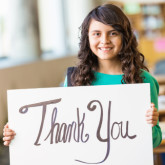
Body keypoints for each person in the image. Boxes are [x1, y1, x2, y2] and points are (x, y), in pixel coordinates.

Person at [3, 4, 162, 148]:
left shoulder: (144, 80)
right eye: (97, 34)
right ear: (88, 38)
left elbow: (153, 142)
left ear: (125, 37)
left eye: (113, 33)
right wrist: (20, 133)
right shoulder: (75, 79)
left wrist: (150, 124)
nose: (104, 40)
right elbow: (58, 128)